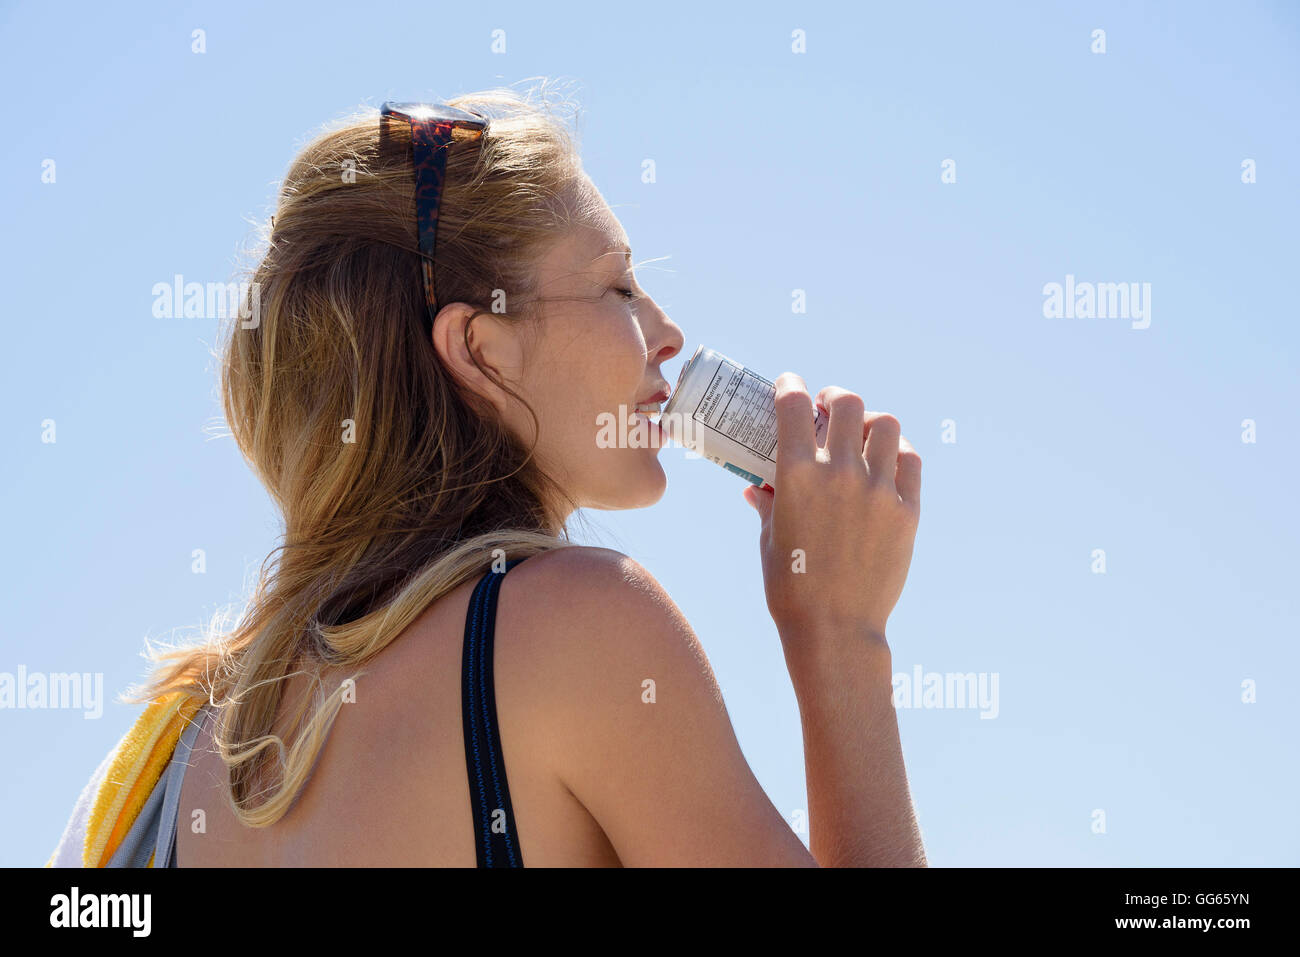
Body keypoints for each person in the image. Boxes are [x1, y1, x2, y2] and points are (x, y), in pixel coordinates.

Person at [58, 86, 926, 867]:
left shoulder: (178, 757)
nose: (665, 330)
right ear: (482, 349)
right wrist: (842, 634)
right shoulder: (579, 625)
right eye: (619, 287)